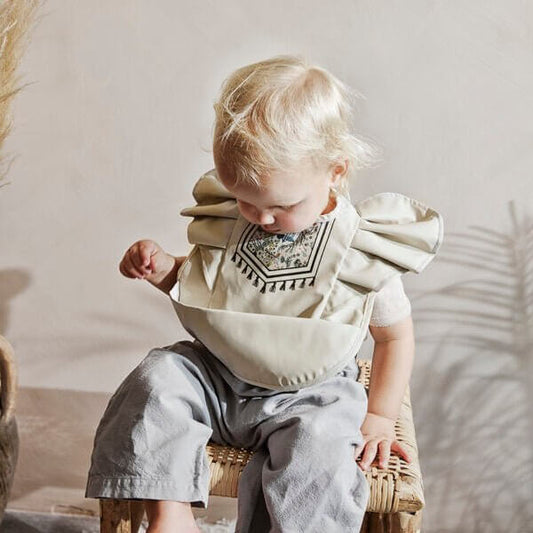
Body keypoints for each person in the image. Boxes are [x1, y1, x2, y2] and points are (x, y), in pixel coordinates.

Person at [85, 55, 443, 533]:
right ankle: (170, 513)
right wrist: (163, 269)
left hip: (309, 394)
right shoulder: (233, 219)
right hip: (217, 378)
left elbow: (394, 336)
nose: (261, 218)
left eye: (281, 205)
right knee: (159, 376)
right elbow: (209, 285)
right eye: (245, 201)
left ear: (335, 171)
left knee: (323, 446)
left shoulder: (359, 250)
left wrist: (379, 414)